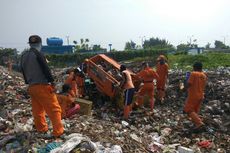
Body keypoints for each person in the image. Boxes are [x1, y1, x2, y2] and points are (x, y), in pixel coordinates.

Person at [20, 35, 64, 137]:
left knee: (38, 109)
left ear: (30, 44)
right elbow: (45, 69)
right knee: (54, 109)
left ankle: (41, 129)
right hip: (42, 86)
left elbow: (22, 70)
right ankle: (58, 131)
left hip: (32, 87)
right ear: (40, 44)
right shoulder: (38, 54)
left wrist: (28, 82)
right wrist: (52, 82)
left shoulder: (23, 56)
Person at [183, 62, 207, 132]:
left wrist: (183, 88)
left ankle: (199, 123)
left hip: (193, 95)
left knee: (188, 109)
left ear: (194, 67)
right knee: (195, 110)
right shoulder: (204, 75)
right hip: (201, 95)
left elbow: (189, 84)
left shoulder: (193, 74)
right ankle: (196, 124)